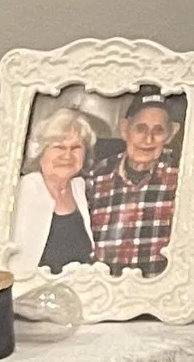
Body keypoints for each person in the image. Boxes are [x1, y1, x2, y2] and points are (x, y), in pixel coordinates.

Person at [87, 93, 181, 277]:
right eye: (140, 129)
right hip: (102, 286)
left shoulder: (180, 180)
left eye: (158, 131)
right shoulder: (96, 177)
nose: (148, 139)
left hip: (156, 288)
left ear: (170, 134)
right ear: (124, 130)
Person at [10, 107, 96, 280]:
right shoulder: (20, 192)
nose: (67, 155)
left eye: (76, 147)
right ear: (40, 151)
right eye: (59, 147)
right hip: (28, 292)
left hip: (79, 290)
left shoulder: (81, 189)